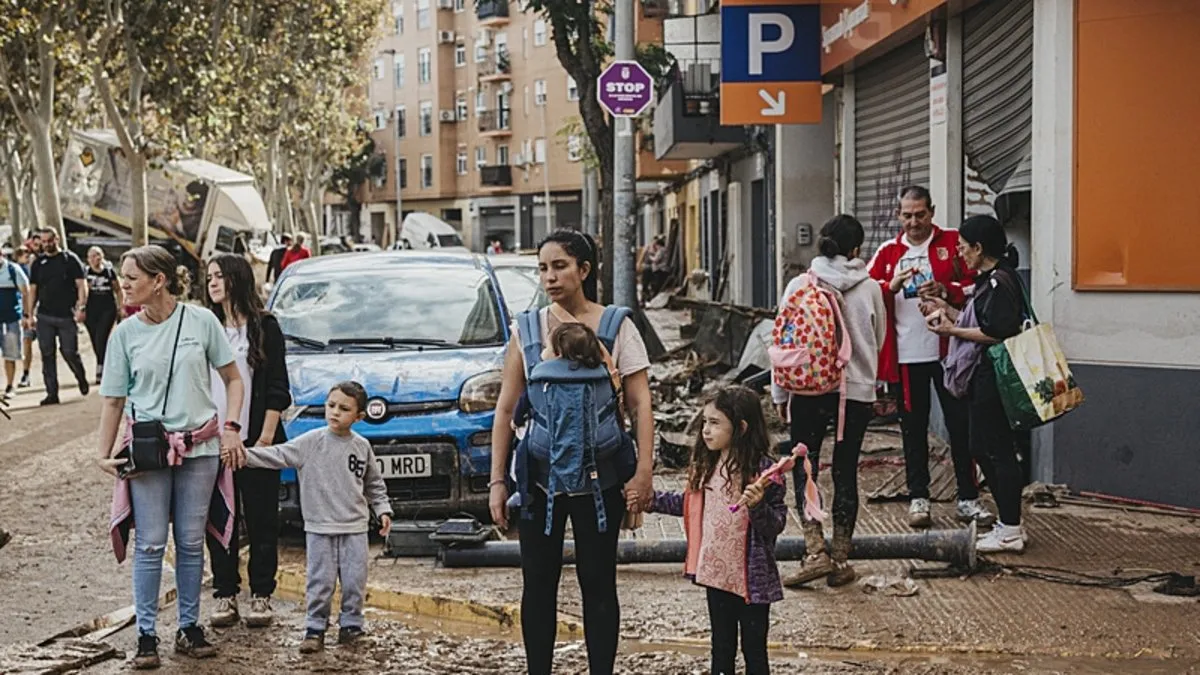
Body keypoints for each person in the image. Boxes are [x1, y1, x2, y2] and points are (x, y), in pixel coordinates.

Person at [488, 229, 655, 675]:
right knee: (537, 586)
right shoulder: (527, 329)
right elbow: (505, 410)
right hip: (539, 480)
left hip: (602, 481)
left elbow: (640, 406)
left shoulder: (617, 326)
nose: (550, 277)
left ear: (584, 270)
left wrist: (643, 473)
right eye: (542, 268)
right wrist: (498, 481)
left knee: (598, 584)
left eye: (560, 266)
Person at [95, 245, 246, 670]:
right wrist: (102, 453)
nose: (123, 283)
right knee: (150, 544)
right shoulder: (124, 334)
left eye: (131, 276)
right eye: (122, 276)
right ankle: (146, 635)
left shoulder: (201, 321)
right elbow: (113, 401)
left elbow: (233, 380)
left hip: (201, 449)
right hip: (149, 452)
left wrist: (231, 427)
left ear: (158, 280)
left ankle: (188, 627)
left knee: (191, 542)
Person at [867, 186, 992, 529]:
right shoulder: (888, 251)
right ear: (898, 215)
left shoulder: (953, 242)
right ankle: (918, 497)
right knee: (912, 428)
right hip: (907, 356)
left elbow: (978, 283)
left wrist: (946, 290)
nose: (913, 222)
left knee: (959, 426)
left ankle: (968, 498)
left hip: (952, 352)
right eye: (907, 215)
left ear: (932, 212)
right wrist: (889, 287)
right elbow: (865, 291)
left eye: (920, 214)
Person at [238, 381, 393, 654]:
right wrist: (243, 456)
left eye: (344, 409)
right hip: (319, 527)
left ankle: (351, 626)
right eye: (331, 405)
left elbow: (373, 484)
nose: (335, 413)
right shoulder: (311, 441)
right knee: (319, 582)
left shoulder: (362, 446)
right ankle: (315, 628)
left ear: (358, 417)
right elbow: (278, 455)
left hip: (354, 528)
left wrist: (382, 510)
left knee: (355, 581)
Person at [775, 215, 886, 588]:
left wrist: (780, 393)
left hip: (807, 390)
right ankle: (839, 559)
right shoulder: (870, 288)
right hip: (855, 393)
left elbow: (783, 342)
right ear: (857, 250)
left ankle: (813, 552)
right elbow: (878, 337)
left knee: (804, 468)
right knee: (845, 470)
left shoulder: (799, 283)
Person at [647, 386, 785, 675]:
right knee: (721, 648)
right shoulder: (708, 464)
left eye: (714, 423)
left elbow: (776, 525)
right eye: (704, 423)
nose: (705, 431)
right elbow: (688, 504)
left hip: (751, 582)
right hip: (716, 574)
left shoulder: (764, 473)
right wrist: (650, 501)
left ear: (741, 428)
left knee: (754, 651)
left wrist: (758, 506)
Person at [926, 215, 1027, 553]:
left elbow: (996, 332)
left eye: (964, 248)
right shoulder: (990, 280)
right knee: (981, 446)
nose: (959, 254)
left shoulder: (999, 281)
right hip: (984, 379)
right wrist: (948, 312)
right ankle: (1008, 523)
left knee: (996, 451)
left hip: (994, 379)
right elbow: (982, 321)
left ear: (980, 248)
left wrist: (951, 331)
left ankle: (1011, 528)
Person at [203, 253, 291, 629]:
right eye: (208, 278)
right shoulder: (207, 327)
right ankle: (225, 593)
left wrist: (264, 438)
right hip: (212, 441)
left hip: (256, 439)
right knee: (219, 520)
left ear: (238, 278)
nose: (213, 283)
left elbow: (277, 388)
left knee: (260, 519)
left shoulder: (264, 326)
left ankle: (261, 594)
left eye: (219, 276)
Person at [27, 228, 90, 405]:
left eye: (49, 241)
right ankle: (51, 393)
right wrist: (29, 314)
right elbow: (33, 290)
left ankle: (81, 376)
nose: (46, 244)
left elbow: (81, 285)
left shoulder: (70, 260)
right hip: (45, 315)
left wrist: (81, 307)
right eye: (43, 241)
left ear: (57, 239)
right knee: (47, 354)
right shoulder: (39, 263)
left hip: (66, 315)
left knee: (69, 352)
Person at [84, 247, 123, 385]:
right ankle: (104, 364)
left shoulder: (109, 272)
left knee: (102, 337)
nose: (96, 258)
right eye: (93, 256)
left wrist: (121, 307)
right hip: (90, 311)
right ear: (88, 259)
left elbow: (118, 289)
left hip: (107, 309)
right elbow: (80, 291)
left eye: (98, 255)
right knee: (95, 340)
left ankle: (100, 367)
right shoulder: (85, 272)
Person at [0, 248, 32, 398]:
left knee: (10, 353)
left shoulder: (13, 269)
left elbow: (26, 292)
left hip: (11, 318)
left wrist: (27, 315)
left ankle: (10, 385)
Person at [13, 246, 35, 388]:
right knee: (25, 341)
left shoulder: (35, 268)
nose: (26, 256)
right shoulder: (15, 270)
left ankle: (26, 372)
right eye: (23, 254)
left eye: (27, 253)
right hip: (21, 310)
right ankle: (24, 374)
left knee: (28, 341)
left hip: (35, 310)